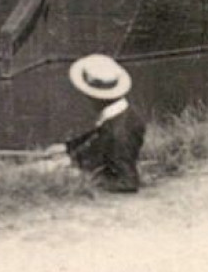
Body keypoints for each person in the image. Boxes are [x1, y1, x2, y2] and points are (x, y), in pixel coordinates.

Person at [62, 54, 146, 193]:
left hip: (97, 168)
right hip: (97, 159)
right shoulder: (123, 113)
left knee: (43, 168)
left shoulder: (118, 134)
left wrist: (80, 176)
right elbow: (99, 135)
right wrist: (68, 147)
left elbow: (128, 181)